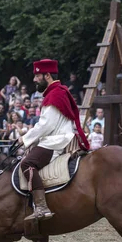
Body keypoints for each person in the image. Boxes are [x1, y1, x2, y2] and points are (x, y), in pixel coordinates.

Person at [18, 59, 89, 221]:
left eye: (37, 76)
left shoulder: (54, 95)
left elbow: (46, 125)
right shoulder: (57, 92)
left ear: (47, 75)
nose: (35, 80)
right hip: (57, 137)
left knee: (27, 164)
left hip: (56, 140)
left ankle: (42, 208)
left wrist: (25, 138)